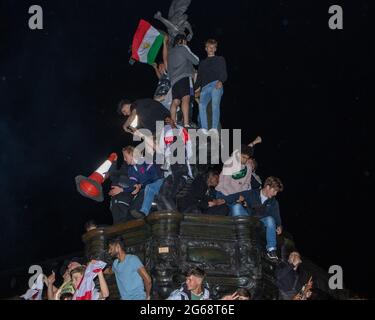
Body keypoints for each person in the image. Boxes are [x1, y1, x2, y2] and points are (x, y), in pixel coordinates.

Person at [247, 176, 284, 260]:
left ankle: (271, 250)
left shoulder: (274, 202)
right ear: (267, 187)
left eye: (277, 192)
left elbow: (277, 218)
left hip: (261, 222)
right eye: (274, 191)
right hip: (248, 218)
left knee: (270, 219)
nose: (275, 194)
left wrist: (279, 226)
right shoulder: (252, 193)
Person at [123, 146, 164, 219]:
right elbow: (133, 182)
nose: (124, 159)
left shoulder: (145, 161)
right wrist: (135, 186)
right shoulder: (130, 170)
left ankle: (144, 212)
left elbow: (154, 176)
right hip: (146, 187)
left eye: (125, 156)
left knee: (148, 188)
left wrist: (141, 185)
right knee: (134, 205)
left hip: (159, 182)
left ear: (132, 154)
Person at [168, 34, 199, 128]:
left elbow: (169, 70)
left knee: (175, 101)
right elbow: (196, 61)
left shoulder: (170, 53)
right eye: (186, 41)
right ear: (182, 41)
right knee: (186, 98)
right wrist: (186, 47)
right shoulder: (183, 48)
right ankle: (186, 124)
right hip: (185, 77)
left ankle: (172, 124)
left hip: (174, 81)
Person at [195, 39, 227, 131]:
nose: (211, 49)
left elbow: (224, 72)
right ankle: (204, 129)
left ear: (215, 49)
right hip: (204, 88)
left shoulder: (220, 59)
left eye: (213, 47)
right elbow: (199, 79)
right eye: (209, 47)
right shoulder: (202, 63)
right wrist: (193, 90)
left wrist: (221, 81)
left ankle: (213, 129)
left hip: (216, 84)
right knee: (201, 105)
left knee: (215, 105)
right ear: (206, 48)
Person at [215, 145, 254, 216]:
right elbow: (225, 184)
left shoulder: (248, 167)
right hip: (223, 194)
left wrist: (242, 195)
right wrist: (237, 196)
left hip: (237, 197)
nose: (245, 160)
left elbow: (247, 183)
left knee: (242, 210)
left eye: (247, 158)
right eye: (243, 157)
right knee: (237, 208)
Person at [153, 35, 172, 110]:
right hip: (157, 102)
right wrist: (155, 68)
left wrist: (164, 43)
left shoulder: (168, 73)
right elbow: (159, 76)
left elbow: (165, 58)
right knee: (159, 121)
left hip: (166, 99)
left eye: (161, 66)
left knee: (170, 119)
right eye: (159, 67)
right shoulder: (162, 78)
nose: (160, 68)